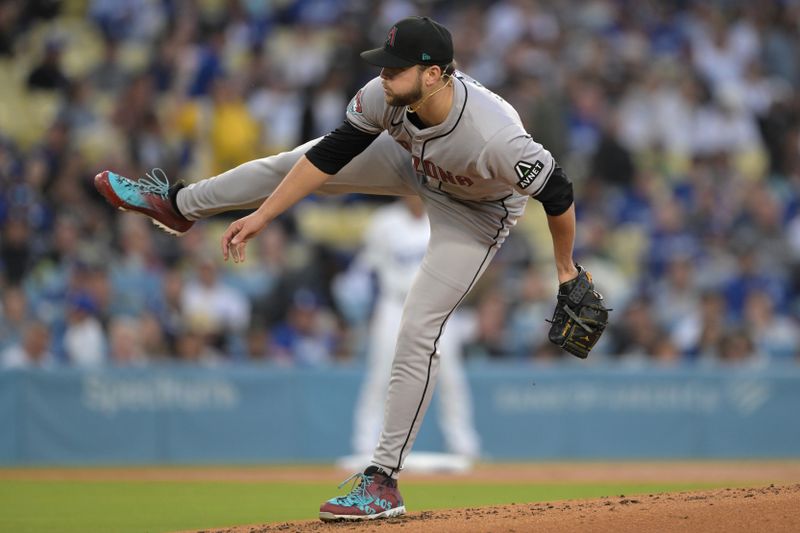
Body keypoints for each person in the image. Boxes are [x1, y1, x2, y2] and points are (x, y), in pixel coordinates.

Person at [95, 16, 580, 521]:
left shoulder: (495, 136)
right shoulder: (385, 95)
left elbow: (559, 191)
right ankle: (180, 205)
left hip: (477, 213)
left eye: (397, 67)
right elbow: (326, 158)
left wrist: (565, 270)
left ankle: (382, 481)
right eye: (385, 64)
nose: (385, 74)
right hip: (415, 163)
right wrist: (262, 215)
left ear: (434, 74)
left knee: (417, 328)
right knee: (289, 160)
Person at [346, 196, 480, 464]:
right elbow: (367, 269)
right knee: (380, 374)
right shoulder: (384, 222)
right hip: (394, 303)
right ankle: (364, 444)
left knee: (451, 376)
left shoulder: (444, 217)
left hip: (437, 305)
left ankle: (463, 443)